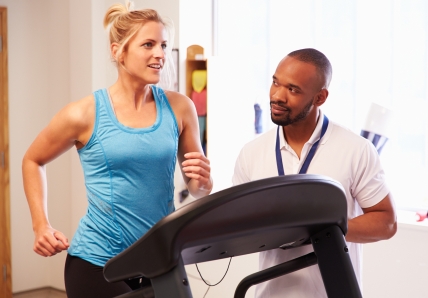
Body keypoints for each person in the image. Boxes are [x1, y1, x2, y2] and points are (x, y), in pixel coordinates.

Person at [21, 1, 212, 297]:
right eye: (148, 45)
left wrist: (204, 182)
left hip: (159, 259)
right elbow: (33, 159)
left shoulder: (180, 108)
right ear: (117, 51)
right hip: (97, 263)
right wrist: (40, 225)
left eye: (162, 45)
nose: (160, 54)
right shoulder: (84, 113)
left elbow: (197, 187)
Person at [232, 48, 397, 298]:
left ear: (320, 98)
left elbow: (387, 222)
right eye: (275, 82)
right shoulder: (251, 153)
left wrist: (321, 231)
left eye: (293, 89)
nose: (277, 95)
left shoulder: (356, 149)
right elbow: (238, 226)